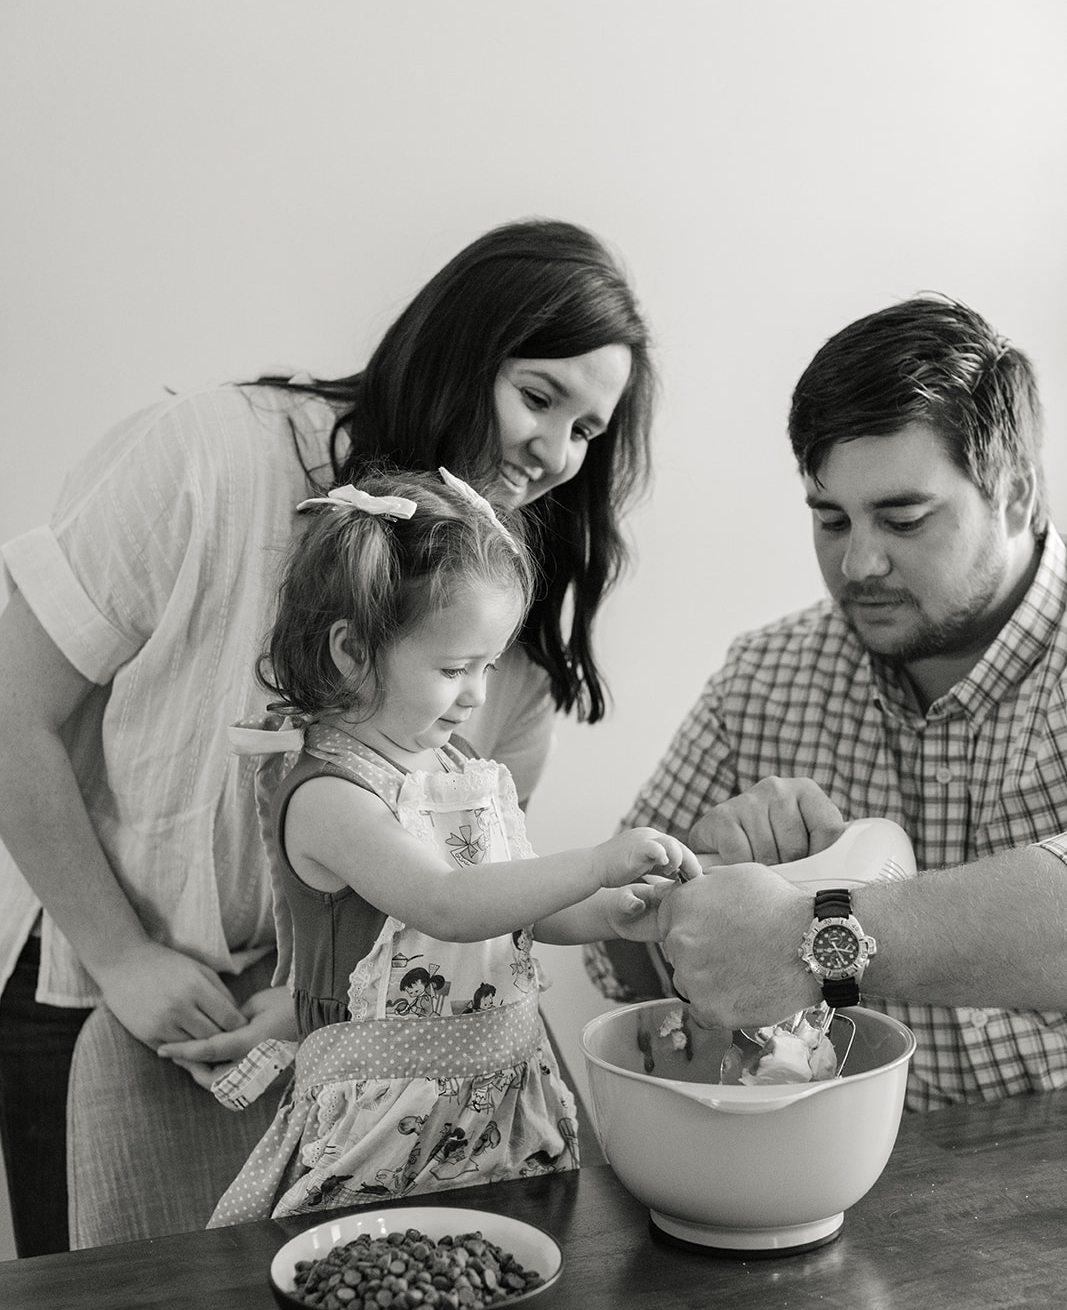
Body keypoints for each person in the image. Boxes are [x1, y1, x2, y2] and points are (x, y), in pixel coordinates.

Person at [0, 217, 654, 1254]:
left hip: (341, 1045)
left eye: (586, 431)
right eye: (537, 397)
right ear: (455, 353)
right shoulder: (211, 456)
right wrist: (122, 954)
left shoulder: (497, 611)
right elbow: (11, 710)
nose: (553, 454)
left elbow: (455, 895)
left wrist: (305, 1001)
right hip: (101, 986)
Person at [590, 293, 1067, 1111]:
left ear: (1016, 495)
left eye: (903, 518)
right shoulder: (765, 675)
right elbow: (612, 953)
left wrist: (809, 933)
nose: (858, 564)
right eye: (830, 520)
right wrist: (688, 890)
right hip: (828, 1174)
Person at [200, 468, 697, 1225]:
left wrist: (614, 910)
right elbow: (447, 904)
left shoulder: (461, 770)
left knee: (510, 1275)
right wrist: (596, 860)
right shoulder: (331, 797)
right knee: (385, 1286)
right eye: (453, 668)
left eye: (489, 665)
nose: (477, 694)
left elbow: (515, 899)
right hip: (386, 1123)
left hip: (505, 1095)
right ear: (351, 652)